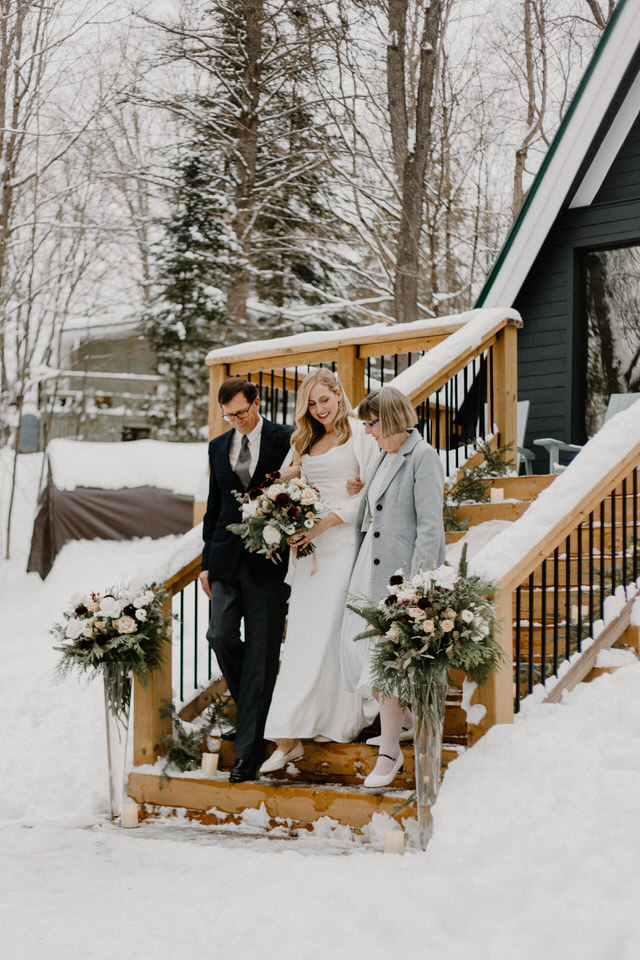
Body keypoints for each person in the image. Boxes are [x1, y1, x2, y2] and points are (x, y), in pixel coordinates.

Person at [259, 367, 379, 774]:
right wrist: (287, 499)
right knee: (304, 640)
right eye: (311, 404)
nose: (319, 409)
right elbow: (277, 487)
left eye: (324, 400)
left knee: (333, 633)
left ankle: (331, 721)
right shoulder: (302, 439)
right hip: (308, 550)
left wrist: (326, 520)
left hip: (342, 541)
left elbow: (374, 493)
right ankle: (290, 734)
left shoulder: (359, 433)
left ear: (340, 394)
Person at [340, 386, 445, 789]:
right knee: (365, 649)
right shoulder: (386, 455)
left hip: (400, 576)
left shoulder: (424, 457)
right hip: (370, 567)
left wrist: (416, 585)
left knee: (385, 657)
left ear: (392, 419)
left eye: (371, 424)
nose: (367, 432)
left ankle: (389, 752)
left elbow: (430, 525)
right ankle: (401, 724)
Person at [199, 377, 293, 783]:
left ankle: (248, 753)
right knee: (219, 635)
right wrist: (206, 562)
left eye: (241, 412)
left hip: (268, 562)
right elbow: (215, 506)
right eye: (228, 415)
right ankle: (256, 712)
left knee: (261, 653)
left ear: (257, 403)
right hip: (224, 559)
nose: (235, 420)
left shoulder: (285, 438)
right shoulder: (217, 446)